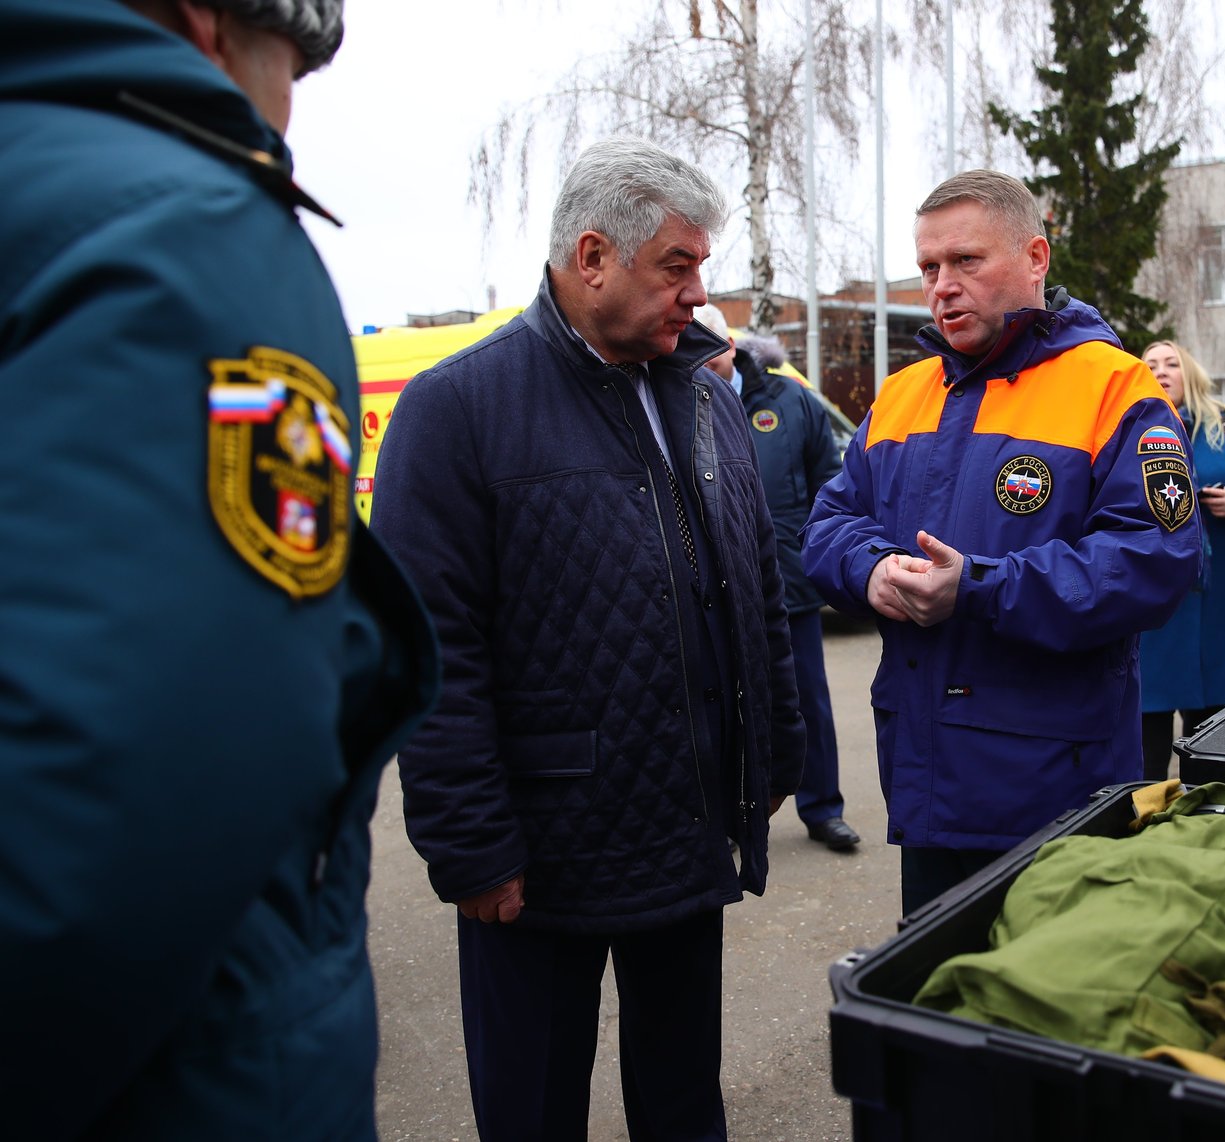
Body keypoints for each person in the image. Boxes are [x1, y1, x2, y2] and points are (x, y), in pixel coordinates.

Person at [0, 1, 438, 1136]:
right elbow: (138, 798)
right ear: (206, 24)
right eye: (287, 67)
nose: (285, 116)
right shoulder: (185, 233)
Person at [370, 137, 805, 1142]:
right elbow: (431, 647)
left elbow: (750, 580)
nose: (702, 294)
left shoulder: (703, 395)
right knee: (532, 1109)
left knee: (682, 1102)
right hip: (539, 861)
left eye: (702, 265)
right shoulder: (455, 410)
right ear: (594, 256)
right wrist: (471, 845)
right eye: (678, 266)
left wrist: (774, 748)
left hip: (686, 828)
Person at [802, 169, 1202, 915]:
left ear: (1036, 258)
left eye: (966, 262)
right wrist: (873, 570)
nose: (942, 286)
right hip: (926, 779)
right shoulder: (902, 394)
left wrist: (979, 587)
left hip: (1058, 790)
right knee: (932, 1003)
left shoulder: (1115, 388)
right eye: (928, 268)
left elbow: (1158, 557)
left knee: (1044, 1008)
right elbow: (826, 526)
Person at [691, 307, 860, 851]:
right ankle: (730, 815)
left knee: (805, 698)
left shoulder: (790, 401)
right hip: (708, 591)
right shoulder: (676, 398)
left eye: (706, 340)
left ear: (731, 342)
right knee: (720, 704)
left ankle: (822, 807)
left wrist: (813, 548)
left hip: (787, 578)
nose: (695, 350)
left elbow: (832, 484)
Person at [1137, 341, 1225, 780]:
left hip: (1224, 591)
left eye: (1172, 363)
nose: (1161, 370)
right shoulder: (1131, 426)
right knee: (1146, 714)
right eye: (1151, 364)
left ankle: (1209, 805)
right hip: (1156, 588)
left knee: (1217, 718)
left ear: (1190, 372)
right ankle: (1143, 812)